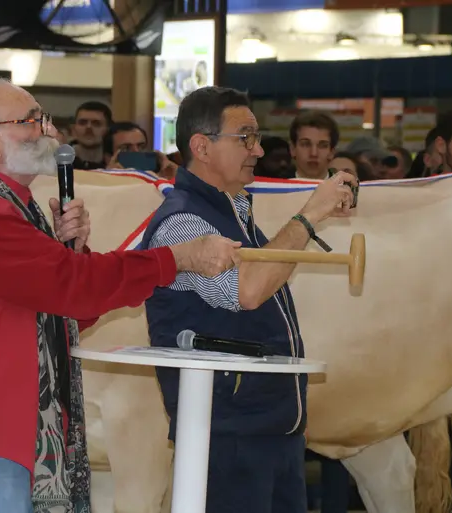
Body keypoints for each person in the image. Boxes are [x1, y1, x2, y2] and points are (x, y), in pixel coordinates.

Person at [0, 78, 240, 513]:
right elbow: (74, 287)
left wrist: (70, 251)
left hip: (12, 434)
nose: (47, 131)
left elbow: (65, 311)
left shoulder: (8, 206)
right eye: (29, 120)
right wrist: (175, 259)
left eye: (44, 118)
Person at [141, 86, 357, 513]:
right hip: (228, 435)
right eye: (245, 137)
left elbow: (262, 284)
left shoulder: (233, 212)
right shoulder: (184, 221)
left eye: (256, 138)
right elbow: (248, 291)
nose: (257, 150)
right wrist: (310, 214)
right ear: (201, 146)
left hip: (270, 429)